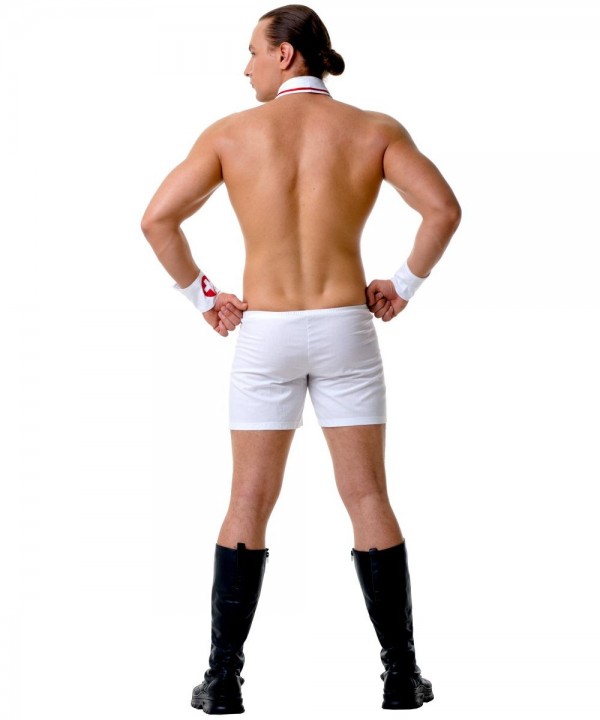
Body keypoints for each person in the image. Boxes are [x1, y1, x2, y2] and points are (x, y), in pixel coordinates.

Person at [141, 4, 460, 714]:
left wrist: (203, 298)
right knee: (368, 498)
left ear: (284, 54)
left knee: (247, 501)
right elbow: (442, 208)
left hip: (268, 333)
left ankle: (222, 682)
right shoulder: (374, 130)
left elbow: (156, 219)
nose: (246, 66)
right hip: (347, 326)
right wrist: (403, 284)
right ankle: (402, 677)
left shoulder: (230, 135)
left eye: (253, 52)